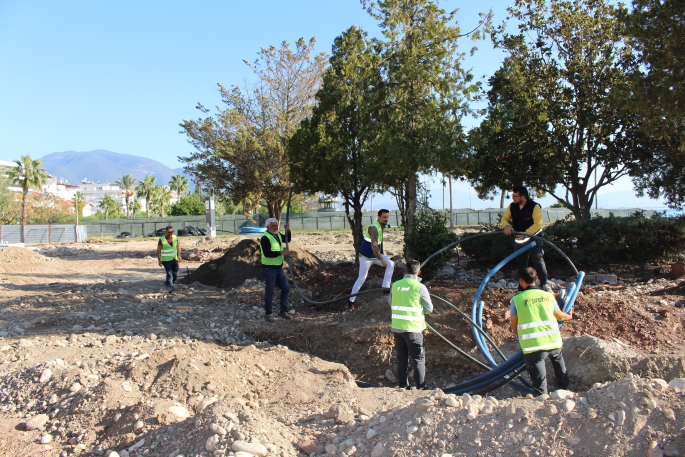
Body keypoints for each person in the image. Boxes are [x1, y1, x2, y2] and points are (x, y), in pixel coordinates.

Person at [509, 267, 573, 396]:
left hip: (533, 346)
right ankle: (565, 395)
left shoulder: (516, 300)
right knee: (561, 372)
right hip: (553, 342)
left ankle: (542, 402)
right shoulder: (548, 296)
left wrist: (522, 336)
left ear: (521, 280)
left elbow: (514, 327)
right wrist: (570, 316)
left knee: (540, 383)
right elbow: (560, 316)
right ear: (537, 279)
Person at [388, 259, 433, 390]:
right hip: (413, 328)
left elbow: (390, 303)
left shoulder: (395, 285)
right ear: (419, 272)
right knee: (418, 359)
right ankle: (421, 387)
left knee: (402, 358)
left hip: (397, 328)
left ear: (405, 271)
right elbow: (429, 309)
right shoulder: (420, 287)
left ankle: (403, 386)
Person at [501, 185, 551, 292]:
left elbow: (538, 224)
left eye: (515, 196)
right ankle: (522, 288)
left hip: (534, 238)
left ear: (523, 197)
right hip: (519, 239)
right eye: (513, 196)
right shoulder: (512, 206)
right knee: (521, 263)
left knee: (537, 258)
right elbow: (505, 218)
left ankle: (544, 284)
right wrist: (506, 226)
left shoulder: (534, 206)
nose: (513, 198)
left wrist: (526, 233)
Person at [349, 209, 395, 311]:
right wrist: (382, 259)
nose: (386, 219)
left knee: (391, 264)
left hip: (375, 256)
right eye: (384, 217)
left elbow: (379, 245)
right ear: (378, 217)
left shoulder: (381, 226)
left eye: (387, 217)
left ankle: (385, 287)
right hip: (365, 257)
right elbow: (374, 247)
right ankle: (351, 301)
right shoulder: (374, 227)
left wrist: (382, 256)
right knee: (361, 278)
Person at [259, 217, 293, 322]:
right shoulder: (265, 238)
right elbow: (267, 253)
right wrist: (281, 253)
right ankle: (268, 313)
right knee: (270, 291)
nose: (275, 227)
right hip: (269, 268)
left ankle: (283, 311)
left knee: (286, 288)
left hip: (278, 267)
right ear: (268, 226)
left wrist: (288, 230)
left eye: (276, 225)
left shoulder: (277, 235)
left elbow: (287, 239)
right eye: (273, 226)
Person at [157, 226, 181, 295]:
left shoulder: (175, 237)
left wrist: (179, 256)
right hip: (166, 260)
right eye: (169, 232)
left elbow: (178, 247)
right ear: (165, 232)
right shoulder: (162, 239)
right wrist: (159, 260)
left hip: (174, 259)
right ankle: (171, 288)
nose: (170, 233)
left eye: (172, 232)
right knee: (169, 274)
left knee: (175, 274)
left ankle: (167, 283)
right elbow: (158, 250)